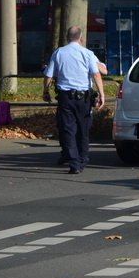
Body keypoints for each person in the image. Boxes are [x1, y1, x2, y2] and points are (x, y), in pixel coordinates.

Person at [43, 26, 106, 174]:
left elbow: (48, 75)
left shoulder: (58, 53)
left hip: (65, 98)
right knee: (83, 130)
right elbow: (96, 74)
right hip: (84, 98)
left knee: (67, 130)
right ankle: (83, 159)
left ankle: (74, 163)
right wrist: (102, 94)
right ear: (81, 38)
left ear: (66, 37)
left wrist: (45, 91)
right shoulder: (87, 53)